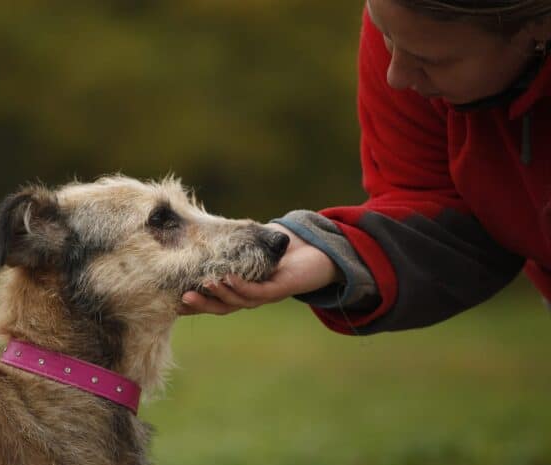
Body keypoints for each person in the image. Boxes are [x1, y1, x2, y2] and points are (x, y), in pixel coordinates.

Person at [181, 0, 551, 335]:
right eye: (386, 36)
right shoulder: (409, 25)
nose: (396, 76)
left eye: (432, 61)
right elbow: (438, 206)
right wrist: (330, 250)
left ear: (539, 29)